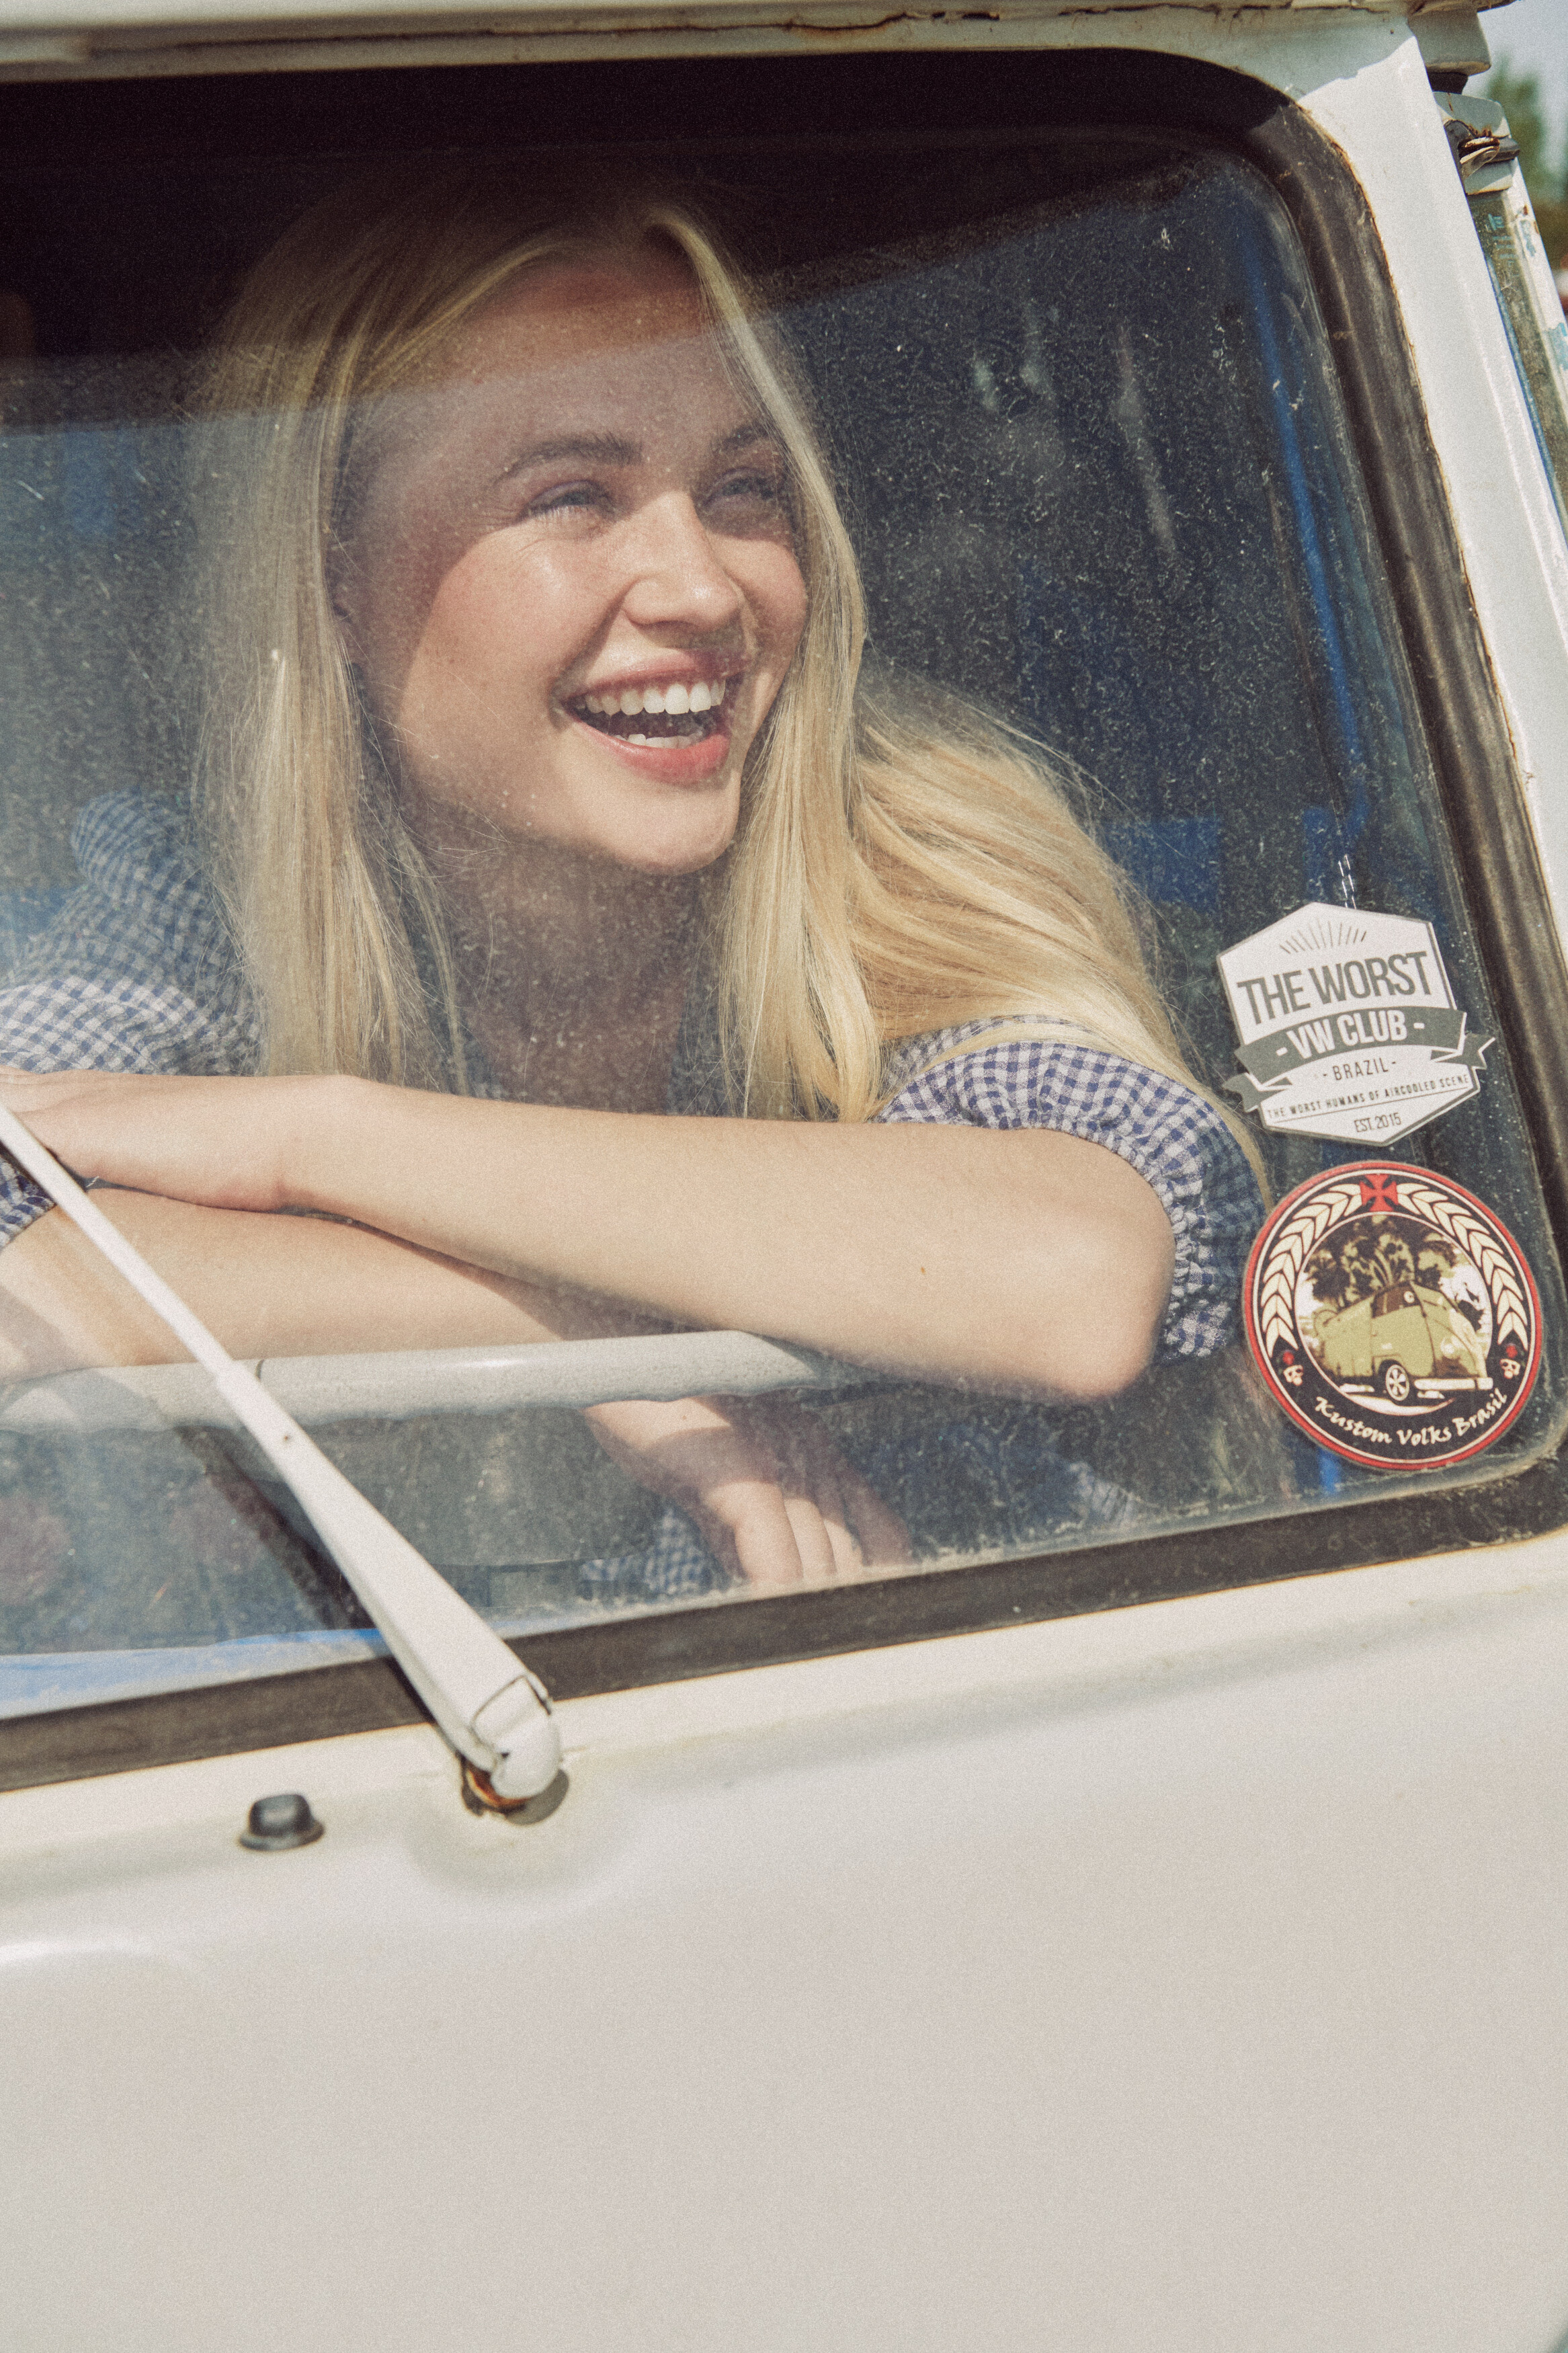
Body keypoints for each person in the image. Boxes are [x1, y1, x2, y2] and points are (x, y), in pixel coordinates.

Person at [0, 165, 1266, 1597]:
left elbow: (1072, 1273)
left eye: (743, 492)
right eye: (573, 499)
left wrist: (317, 1139)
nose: (705, 588)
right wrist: (585, 1327)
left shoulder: (912, 847)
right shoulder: (208, 905)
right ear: (337, 580)